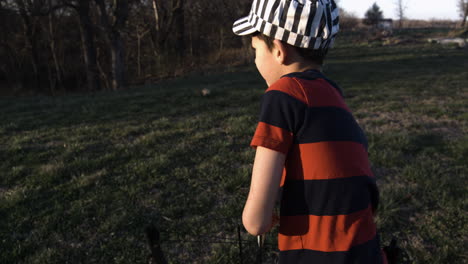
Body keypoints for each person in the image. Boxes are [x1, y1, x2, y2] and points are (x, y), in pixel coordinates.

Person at [232, 0, 387, 263]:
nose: (255, 59)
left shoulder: (282, 95)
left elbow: (255, 222)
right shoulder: (333, 94)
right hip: (367, 252)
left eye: (256, 49)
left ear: (279, 50)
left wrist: (257, 216)